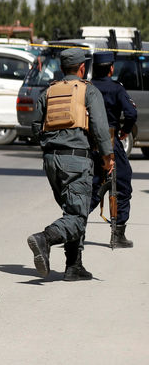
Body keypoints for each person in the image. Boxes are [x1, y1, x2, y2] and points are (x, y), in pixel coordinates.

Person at [27, 48, 113, 281]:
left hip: (51, 161)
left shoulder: (49, 91)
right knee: (77, 214)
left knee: (71, 209)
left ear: (63, 68)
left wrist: (50, 145)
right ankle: (45, 238)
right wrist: (107, 158)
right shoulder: (88, 91)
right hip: (76, 160)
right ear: (82, 68)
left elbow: (35, 127)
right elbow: (100, 128)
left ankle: (74, 265)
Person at [88, 51, 137, 248]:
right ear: (111, 69)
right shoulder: (116, 89)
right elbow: (131, 113)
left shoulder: (88, 87)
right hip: (110, 140)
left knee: (92, 187)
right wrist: (124, 131)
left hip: (90, 143)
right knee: (122, 184)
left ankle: (74, 226)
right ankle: (118, 234)